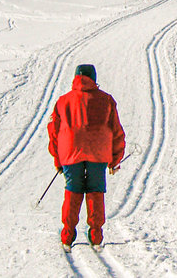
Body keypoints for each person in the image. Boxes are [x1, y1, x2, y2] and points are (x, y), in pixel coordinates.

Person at [47, 64, 126, 250]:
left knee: (72, 192)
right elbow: (116, 131)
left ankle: (67, 237)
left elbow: (54, 132)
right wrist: (115, 160)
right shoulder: (106, 100)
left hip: (70, 153)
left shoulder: (63, 101)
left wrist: (58, 160)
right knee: (95, 192)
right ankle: (96, 237)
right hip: (98, 154)